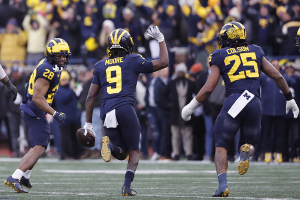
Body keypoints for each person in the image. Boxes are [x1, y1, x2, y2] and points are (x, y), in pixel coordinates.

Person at [181, 22, 299, 197]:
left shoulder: (219, 55)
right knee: (250, 143)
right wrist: (289, 98)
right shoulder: (255, 50)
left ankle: (223, 185)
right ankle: (248, 151)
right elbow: (277, 75)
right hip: (253, 102)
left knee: (221, 145)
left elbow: (208, 88)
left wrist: (190, 106)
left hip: (235, 101)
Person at [83, 26, 168, 196]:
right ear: (127, 45)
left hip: (107, 111)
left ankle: (108, 145)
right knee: (134, 152)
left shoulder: (100, 65)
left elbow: (90, 96)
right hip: (125, 108)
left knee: (121, 153)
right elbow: (164, 62)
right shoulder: (134, 60)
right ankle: (126, 187)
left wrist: (88, 123)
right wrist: (161, 39)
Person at [4, 38, 71, 193]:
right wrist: (54, 113)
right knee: (40, 147)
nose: (63, 59)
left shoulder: (48, 65)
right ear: (51, 55)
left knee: (42, 142)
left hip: (34, 107)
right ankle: (15, 176)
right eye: (60, 56)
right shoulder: (48, 70)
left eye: (64, 56)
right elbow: (37, 97)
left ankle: (26, 175)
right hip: (34, 108)